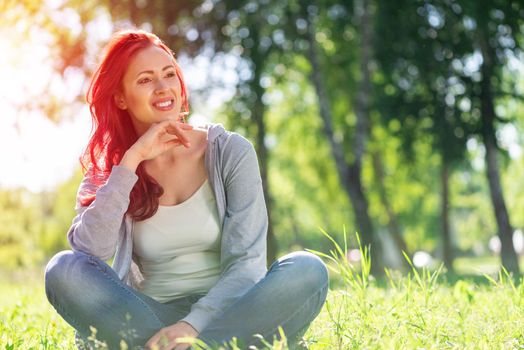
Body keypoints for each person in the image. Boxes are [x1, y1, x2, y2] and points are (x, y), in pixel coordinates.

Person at [44, 29, 328, 350]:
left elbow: (247, 263)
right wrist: (131, 162)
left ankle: (192, 345)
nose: (164, 87)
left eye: (169, 74)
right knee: (64, 270)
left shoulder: (230, 151)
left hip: (230, 311)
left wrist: (192, 326)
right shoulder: (114, 166)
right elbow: (89, 254)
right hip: (149, 316)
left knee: (307, 270)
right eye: (145, 80)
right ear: (121, 98)